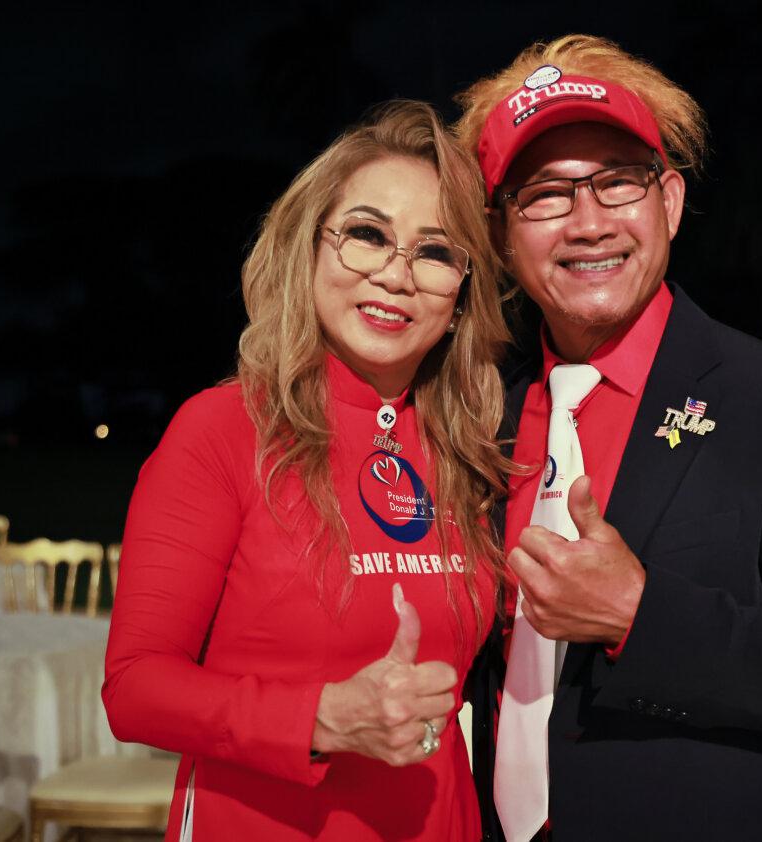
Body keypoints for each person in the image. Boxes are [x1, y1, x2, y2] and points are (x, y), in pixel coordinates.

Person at [455, 36, 762, 841]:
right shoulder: (480, 408)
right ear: (498, 231)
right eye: (547, 195)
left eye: (617, 183)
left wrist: (639, 613)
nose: (589, 223)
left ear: (667, 199)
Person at [103, 100, 514, 841]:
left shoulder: (470, 450)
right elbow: (134, 689)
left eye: (435, 250)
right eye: (366, 234)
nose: (396, 273)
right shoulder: (222, 429)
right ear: (310, 251)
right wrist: (322, 718)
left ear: (460, 296)